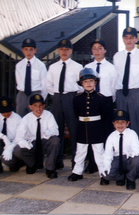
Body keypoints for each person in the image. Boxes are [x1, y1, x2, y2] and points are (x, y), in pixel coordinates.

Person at [68, 68, 111, 181]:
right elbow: (76, 113)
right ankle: (77, 172)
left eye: (91, 81)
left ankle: (103, 173)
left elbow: (105, 115)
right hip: (82, 127)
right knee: (80, 151)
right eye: (85, 81)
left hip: (96, 127)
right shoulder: (77, 99)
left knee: (99, 152)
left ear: (95, 82)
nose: (88, 84)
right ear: (81, 84)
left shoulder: (101, 98)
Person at [46, 39, 83, 169]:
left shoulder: (77, 67)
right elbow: (48, 85)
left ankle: (75, 162)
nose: (64, 52)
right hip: (57, 99)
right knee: (57, 130)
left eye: (67, 49)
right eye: (62, 49)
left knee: (74, 131)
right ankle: (57, 160)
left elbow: (82, 86)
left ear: (71, 51)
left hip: (71, 98)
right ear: (58, 51)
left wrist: (72, 94)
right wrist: (57, 95)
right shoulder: (53, 67)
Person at [84, 38, 116, 173]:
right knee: (92, 132)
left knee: (106, 133)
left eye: (100, 48)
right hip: (91, 101)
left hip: (106, 102)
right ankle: (92, 163)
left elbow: (114, 88)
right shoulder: (87, 68)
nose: (97, 51)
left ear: (105, 50)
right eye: (94, 48)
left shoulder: (111, 68)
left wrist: (106, 100)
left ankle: (106, 163)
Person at [113, 27, 139, 145]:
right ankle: (123, 151)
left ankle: (136, 154)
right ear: (123, 39)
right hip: (121, 93)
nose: (129, 40)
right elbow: (115, 76)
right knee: (121, 124)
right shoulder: (117, 56)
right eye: (126, 37)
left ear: (136, 39)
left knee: (137, 123)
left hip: (136, 93)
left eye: (132, 37)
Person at [12, 94, 60, 179]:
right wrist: (25, 144)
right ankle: (31, 164)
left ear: (44, 106)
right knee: (17, 150)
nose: (38, 109)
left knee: (55, 141)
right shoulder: (26, 119)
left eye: (40, 106)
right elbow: (19, 137)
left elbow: (55, 130)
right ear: (30, 107)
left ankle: (50, 169)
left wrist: (48, 133)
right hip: (32, 143)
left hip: (45, 141)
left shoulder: (48, 115)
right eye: (35, 106)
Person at [101, 110, 139, 190]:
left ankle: (130, 179)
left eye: (123, 122)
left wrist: (132, 152)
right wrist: (106, 165)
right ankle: (121, 177)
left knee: (137, 160)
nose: (120, 124)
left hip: (128, 157)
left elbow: (137, 148)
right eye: (117, 122)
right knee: (107, 175)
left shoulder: (132, 133)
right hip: (117, 159)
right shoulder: (111, 137)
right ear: (113, 123)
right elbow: (108, 154)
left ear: (127, 123)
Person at [15, 38, 47, 117]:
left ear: (35, 50)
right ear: (22, 50)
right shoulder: (19, 65)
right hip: (22, 96)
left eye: (31, 49)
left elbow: (44, 85)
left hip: (35, 94)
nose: (28, 52)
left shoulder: (40, 65)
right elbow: (19, 82)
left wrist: (40, 100)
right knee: (20, 118)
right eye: (26, 49)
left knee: (35, 118)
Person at [0, 96, 22, 173]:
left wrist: (10, 147)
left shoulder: (18, 119)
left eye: (8, 111)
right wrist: (3, 137)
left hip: (14, 143)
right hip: (2, 142)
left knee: (9, 160)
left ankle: (16, 163)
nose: (6, 113)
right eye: (3, 111)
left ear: (12, 106)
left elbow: (19, 137)